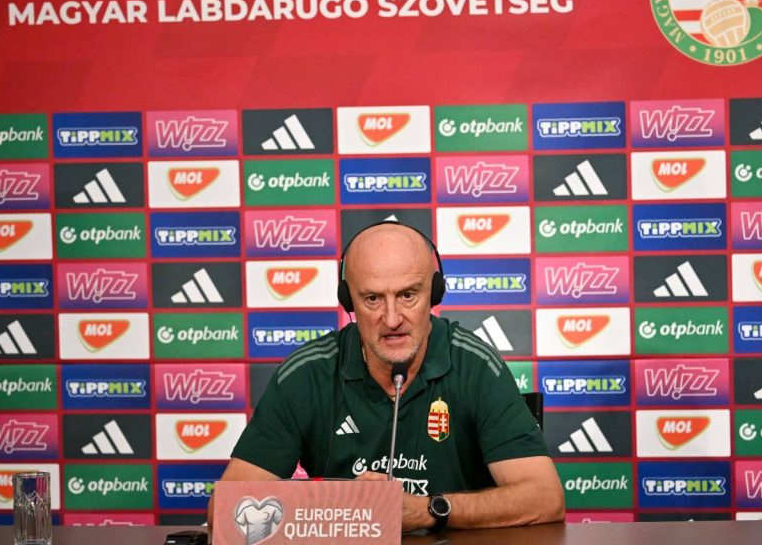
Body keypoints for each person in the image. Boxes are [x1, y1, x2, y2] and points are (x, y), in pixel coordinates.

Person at [209, 221, 565, 531]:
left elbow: (545, 498)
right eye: (372, 299)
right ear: (348, 301)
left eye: (408, 295)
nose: (392, 319)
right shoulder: (307, 374)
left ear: (433, 294)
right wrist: (342, 511)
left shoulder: (475, 365)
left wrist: (427, 510)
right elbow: (224, 510)